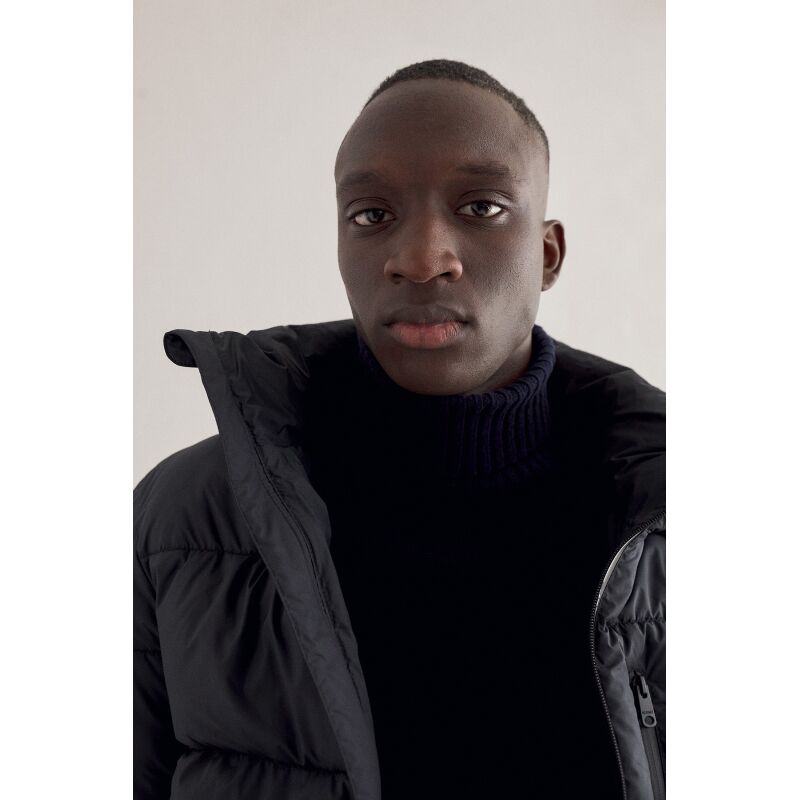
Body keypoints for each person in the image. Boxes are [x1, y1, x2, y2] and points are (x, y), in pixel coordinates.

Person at [134, 59, 665, 800]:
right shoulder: (181, 517)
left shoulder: (670, 511)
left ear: (547, 255)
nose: (420, 260)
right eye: (371, 215)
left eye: (480, 207)